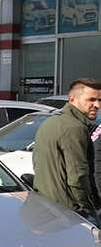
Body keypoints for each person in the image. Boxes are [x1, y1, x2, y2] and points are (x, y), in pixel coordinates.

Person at [33, 77, 101, 219]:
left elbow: (36, 163)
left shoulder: (51, 122)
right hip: (68, 212)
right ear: (72, 99)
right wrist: (89, 211)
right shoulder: (74, 128)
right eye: (91, 100)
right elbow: (77, 177)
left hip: (46, 207)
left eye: (99, 100)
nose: (97, 105)